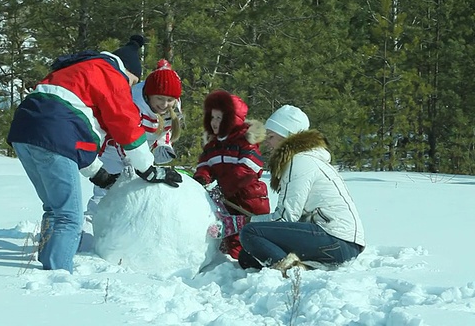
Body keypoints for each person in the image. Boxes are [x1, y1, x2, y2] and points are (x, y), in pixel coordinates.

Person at [7, 35, 183, 273]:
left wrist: (97, 173)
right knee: (69, 217)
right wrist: (148, 169)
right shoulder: (112, 75)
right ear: (128, 71)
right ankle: (57, 274)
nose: (130, 86)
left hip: (24, 132)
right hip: (53, 134)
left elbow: (78, 127)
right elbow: (126, 127)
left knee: (54, 208)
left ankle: (47, 265)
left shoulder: (80, 69)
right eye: (133, 81)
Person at [237, 105, 366, 276]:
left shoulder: (299, 161)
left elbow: (286, 218)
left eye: (271, 136)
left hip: (335, 240)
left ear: (287, 136)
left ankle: (291, 273)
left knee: (250, 233)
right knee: (247, 257)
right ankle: (303, 266)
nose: (266, 142)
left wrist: (247, 222)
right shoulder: (307, 160)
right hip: (343, 243)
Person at [86, 59, 183, 216]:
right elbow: (123, 134)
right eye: (159, 98)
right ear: (149, 94)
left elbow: (164, 129)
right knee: (108, 192)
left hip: (142, 152)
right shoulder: (133, 103)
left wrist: (162, 145)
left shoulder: (173, 107)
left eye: (169, 100)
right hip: (114, 148)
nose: (165, 104)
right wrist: (132, 163)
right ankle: (90, 225)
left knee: (136, 195)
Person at [193, 89, 270, 260]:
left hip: (250, 200)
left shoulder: (246, 141)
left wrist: (224, 187)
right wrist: (201, 178)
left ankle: (259, 265)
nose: (214, 122)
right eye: (212, 117)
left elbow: (248, 168)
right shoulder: (212, 145)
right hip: (226, 201)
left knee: (251, 235)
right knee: (231, 239)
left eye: (219, 118)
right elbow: (205, 164)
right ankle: (233, 267)